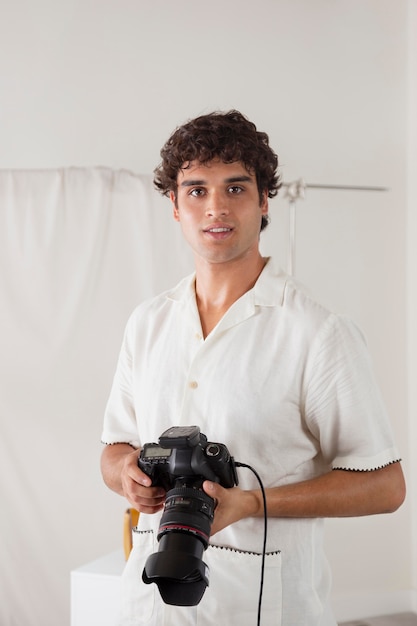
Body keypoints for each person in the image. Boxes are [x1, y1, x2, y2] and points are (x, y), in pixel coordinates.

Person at [100, 110, 406, 626]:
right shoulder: (147, 322)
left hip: (264, 607)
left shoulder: (317, 332)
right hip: (150, 604)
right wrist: (127, 476)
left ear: (265, 200)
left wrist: (252, 503)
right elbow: (114, 447)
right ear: (174, 205)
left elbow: (385, 485)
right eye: (195, 190)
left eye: (235, 188)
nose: (215, 207)